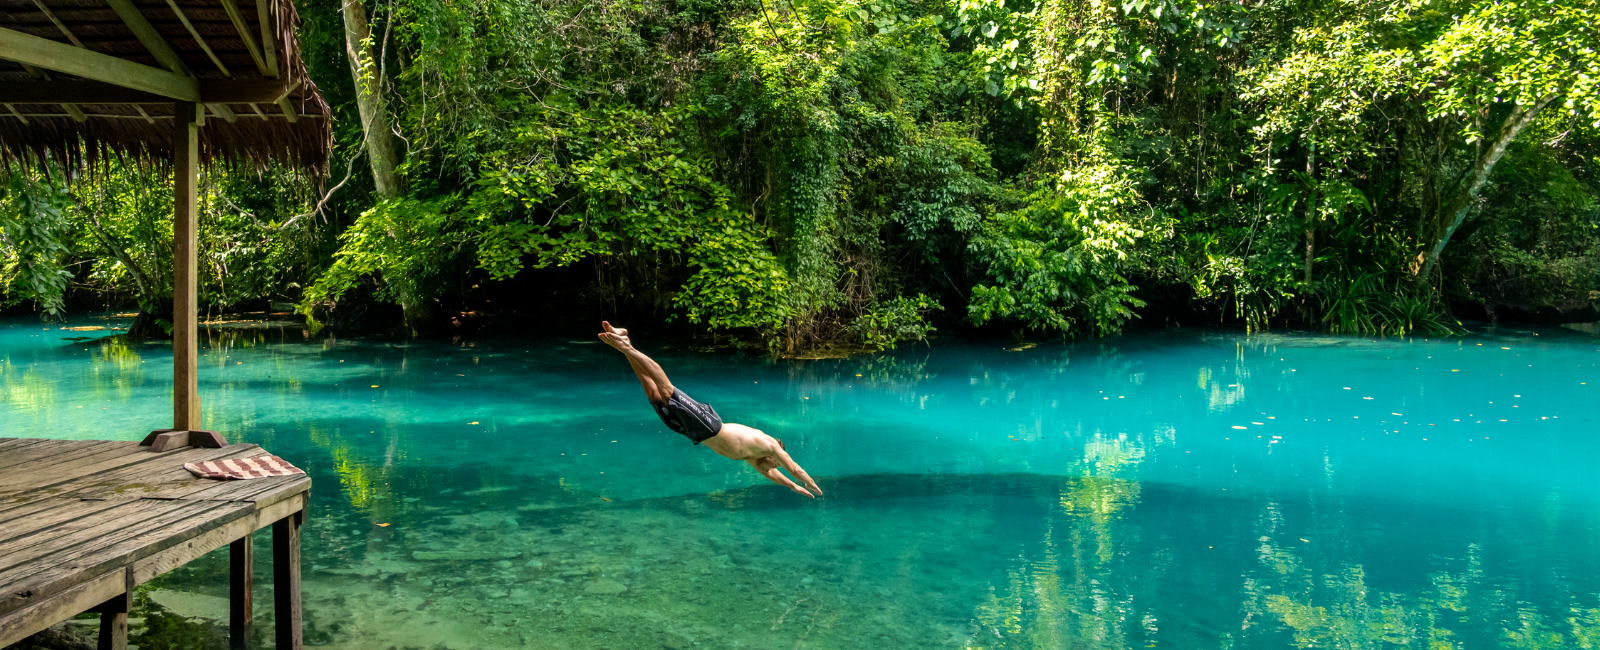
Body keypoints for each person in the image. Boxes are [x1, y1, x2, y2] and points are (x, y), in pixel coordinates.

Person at [598, 321, 824, 498]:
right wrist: (809, 482)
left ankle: (625, 343)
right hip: (710, 425)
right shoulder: (769, 445)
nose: (773, 467)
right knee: (667, 390)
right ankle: (625, 345)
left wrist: (794, 488)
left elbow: (775, 476)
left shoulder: (754, 459)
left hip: (695, 434)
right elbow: (792, 468)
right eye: (775, 463)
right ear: (773, 455)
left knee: (653, 395)